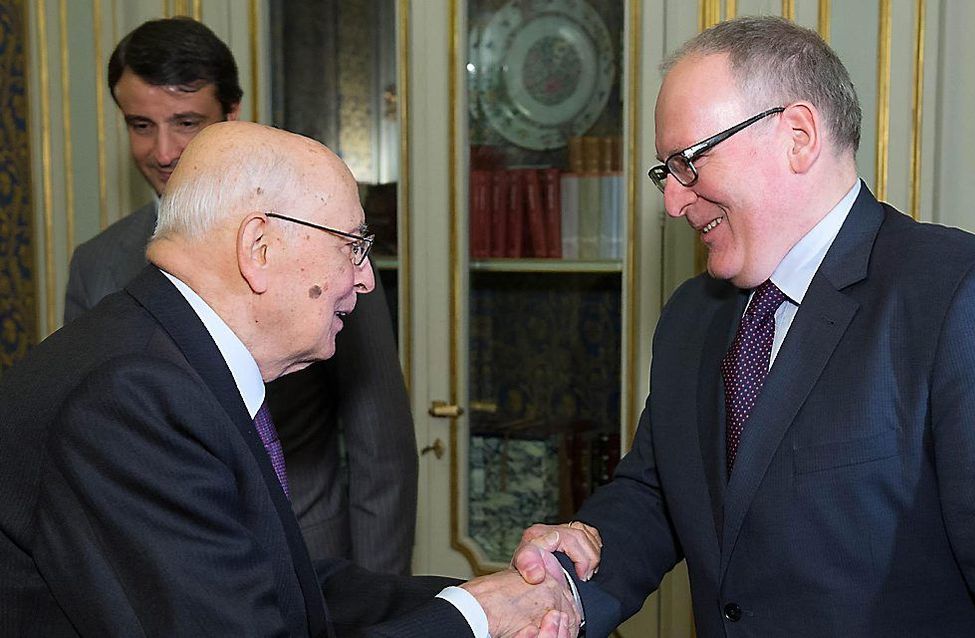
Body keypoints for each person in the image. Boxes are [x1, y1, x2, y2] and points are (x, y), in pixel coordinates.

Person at [514, 15, 975, 637]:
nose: (672, 201)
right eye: (664, 172)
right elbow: (657, 496)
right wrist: (567, 577)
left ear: (798, 136)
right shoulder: (691, 317)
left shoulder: (969, 296)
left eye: (688, 162)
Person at [0, 121, 579, 637]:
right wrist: (476, 618)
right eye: (353, 246)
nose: (367, 279)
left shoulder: (171, 357)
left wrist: (488, 597)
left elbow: (281, 584)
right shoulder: (132, 397)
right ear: (260, 248)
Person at [63, 16, 417, 574]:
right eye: (140, 125)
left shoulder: (328, 245)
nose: (162, 150)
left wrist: (381, 604)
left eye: (186, 122)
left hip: (312, 562)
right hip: (158, 571)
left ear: (230, 117)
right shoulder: (98, 263)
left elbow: (382, 449)